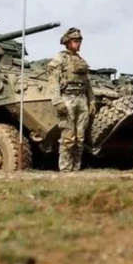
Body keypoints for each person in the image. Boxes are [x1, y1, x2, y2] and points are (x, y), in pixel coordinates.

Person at [47, 27, 96, 172]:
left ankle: (76, 168)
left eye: (79, 41)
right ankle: (65, 169)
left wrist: (91, 101)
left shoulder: (81, 61)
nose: (78, 44)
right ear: (68, 42)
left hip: (81, 99)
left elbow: (87, 84)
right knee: (68, 137)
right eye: (75, 41)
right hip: (67, 99)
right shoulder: (60, 59)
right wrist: (57, 101)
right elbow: (53, 82)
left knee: (80, 137)